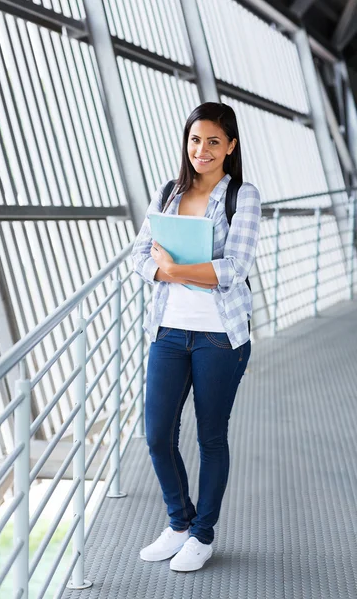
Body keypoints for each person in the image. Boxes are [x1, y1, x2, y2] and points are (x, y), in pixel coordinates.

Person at [131, 101, 261, 572]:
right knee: (157, 434)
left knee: (210, 437)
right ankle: (179, 523)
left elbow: (235, 268)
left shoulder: (242, 196)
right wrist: (167, 272)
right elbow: (140, 253)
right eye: (194, 140)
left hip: (219, 337)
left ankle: (203, 534)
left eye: (212, 141)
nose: (201, 150)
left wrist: (175, 267)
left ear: (230, 146)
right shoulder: (168, 192)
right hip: (168, 331)